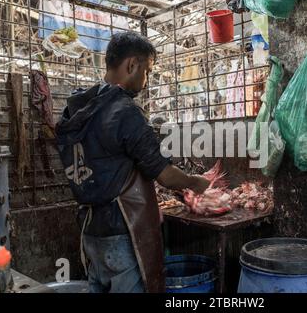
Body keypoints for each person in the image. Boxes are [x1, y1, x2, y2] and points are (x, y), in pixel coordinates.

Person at [55, 32, 210, 293]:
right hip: (122, 231)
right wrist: (197, 182)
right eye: (147, 71)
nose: (146, 80)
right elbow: (165, 175)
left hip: (90, 230)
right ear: (131, 65)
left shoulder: (75, 110)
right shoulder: (123, 111)